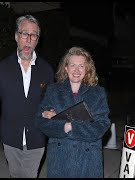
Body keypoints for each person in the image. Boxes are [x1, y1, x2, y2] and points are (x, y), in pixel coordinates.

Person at [0, 15, 54, 178]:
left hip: (36, 137)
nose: (29, 39)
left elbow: (51, 101)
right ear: (16, 36)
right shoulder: (2, 69)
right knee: (15, 175)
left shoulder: (46, 70)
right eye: (24, 34)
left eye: (34, 35)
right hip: (10, 138)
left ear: (37, 39)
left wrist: (52, 110)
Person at [35, 46, 111, 178]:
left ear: (87, 69)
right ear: (66, 68)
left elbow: (102, 125)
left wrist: (71, 126)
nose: (76, 70)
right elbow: (40, 121)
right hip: (60, 158)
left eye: (81, 66)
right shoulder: (53, 91)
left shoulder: (98, 93)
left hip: (88, 160)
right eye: (72, 65)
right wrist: (63, 126)